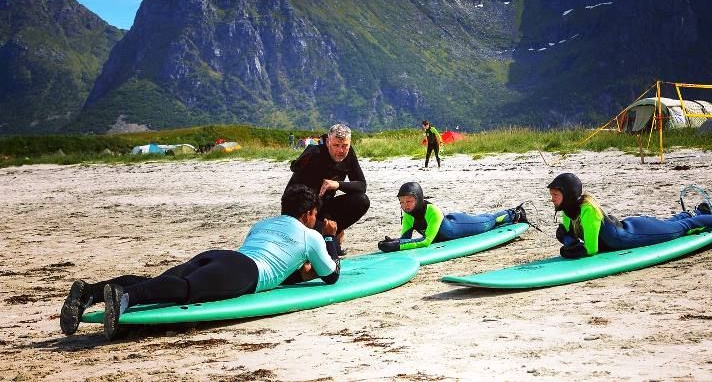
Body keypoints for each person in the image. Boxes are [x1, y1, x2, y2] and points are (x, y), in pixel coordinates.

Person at [59, 185, 340, 341]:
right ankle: (126, 297)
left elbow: (280, 260)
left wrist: (298, 272)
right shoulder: (310, 235)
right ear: (309, 213)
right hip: (246, 271)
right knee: (185, 289)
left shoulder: (262, 224)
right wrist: (330, 239)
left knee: (158, 280)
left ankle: (90, 292)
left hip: (221, 255)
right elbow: (331, 275)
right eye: (315, 215)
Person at [546, 173, 712, 258]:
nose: (552, 199)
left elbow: (591, 249)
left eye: (556, 195)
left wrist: (568, 248)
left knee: (683, 228)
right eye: (552, 195)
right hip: (627, 226)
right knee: (669, 224)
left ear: (569, 195)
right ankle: (699, 212)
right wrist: (565, 237)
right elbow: (568, 233)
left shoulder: (588, 211)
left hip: (635, 235)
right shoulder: (568, 211)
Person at [286, 123, 369, 254]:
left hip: (324, 207)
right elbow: (293, 189)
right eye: (336, 145)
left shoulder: (349, 154)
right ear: (328, 142)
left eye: (345, 146)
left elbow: (361, 186)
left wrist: (337, 184)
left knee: (362, 200)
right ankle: (327, 237)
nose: (341, 151)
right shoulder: (315, 154)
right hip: (303, 212)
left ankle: (333, 233)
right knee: (331, 251)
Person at [377, 182, 528, 252]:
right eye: (402, 202)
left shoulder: (432, 211)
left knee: (489, 222)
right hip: (449, 224)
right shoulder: (408, 215)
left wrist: (398, 245)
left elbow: (425, 242)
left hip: (459, 226)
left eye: (409, 201)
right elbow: (406, 238)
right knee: (487, 221)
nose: (405, 205)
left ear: (419, 198)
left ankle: (515, 213)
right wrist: (394, 242)